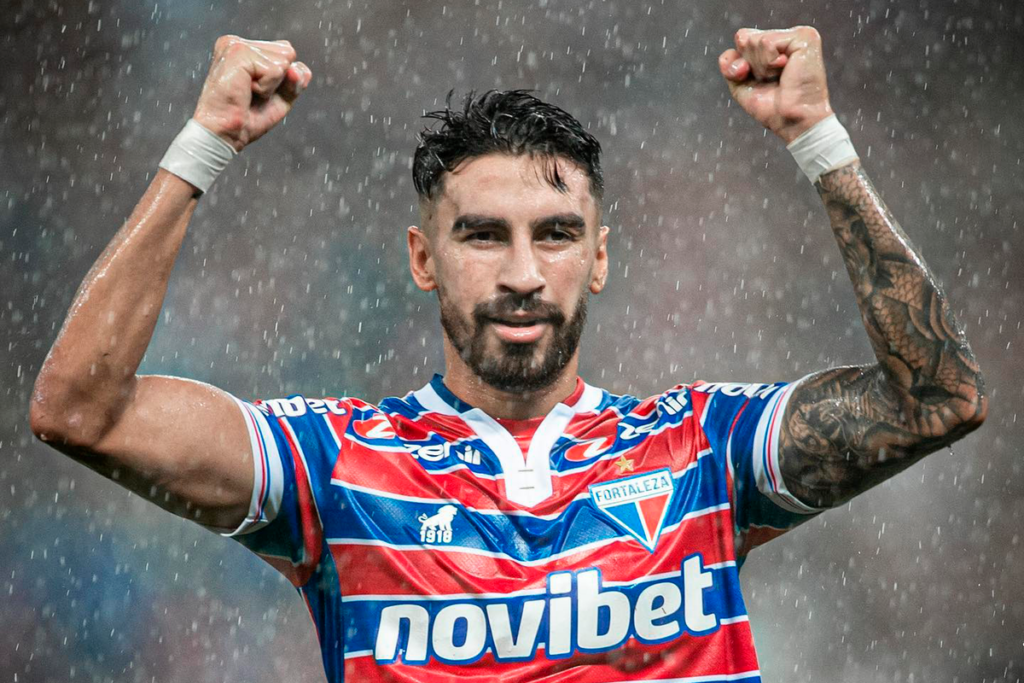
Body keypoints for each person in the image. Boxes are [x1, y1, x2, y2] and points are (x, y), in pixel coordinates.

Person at [30, 27, 986, 682]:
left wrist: (819, 141)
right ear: (423, 260)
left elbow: (938, 400)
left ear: (601, 257)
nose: (524, 272)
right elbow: (81, 409)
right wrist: (205, 145)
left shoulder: (701, 451)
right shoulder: (338, 465)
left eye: (558, 233)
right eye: (485, 235)